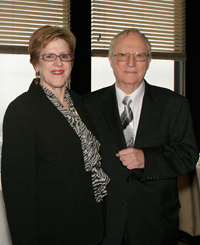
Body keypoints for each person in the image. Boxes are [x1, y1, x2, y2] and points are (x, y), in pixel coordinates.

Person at [82, 28, 199, 245]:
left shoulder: (174, 104)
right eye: (123, 55)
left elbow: (188, 154)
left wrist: (147, 159)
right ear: (110, 59)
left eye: (139, 55)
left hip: (156, 224)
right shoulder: (87, 106)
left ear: (149, 61)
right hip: (103, 223)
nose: (131, 62)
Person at [1, 25, 110, 245]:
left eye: (64, 56)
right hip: (52, 233)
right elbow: (18, 195)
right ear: (35, 63)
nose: (58, 63)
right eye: (49, 56)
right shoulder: (21, 111)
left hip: (91, 227)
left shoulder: (81, 104)